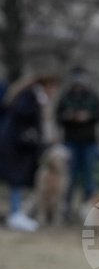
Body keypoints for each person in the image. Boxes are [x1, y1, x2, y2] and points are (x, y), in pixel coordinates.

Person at [1, 72, 59, 232]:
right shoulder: (30, 96)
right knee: (16, 179)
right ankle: (15, 214)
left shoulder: (34, 97)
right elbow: (22, 115)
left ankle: (18, 212)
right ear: (46, 85)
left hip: (21, 146)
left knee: (19, 180)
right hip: (16, 146)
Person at [56, 66, 99, 219]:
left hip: (89, 142)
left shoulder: (92, 96)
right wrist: (68, 116)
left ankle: (89, 210)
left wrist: (88, 116)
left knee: (89, 177)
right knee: (69, 177)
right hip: (70, 141)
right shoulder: (66, 96)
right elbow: (57, 116)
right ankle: (66, 209)